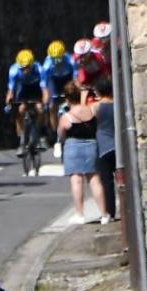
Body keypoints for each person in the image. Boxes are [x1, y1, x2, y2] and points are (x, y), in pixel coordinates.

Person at [58, 81, 109, 225]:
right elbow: (97, 125)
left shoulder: (66, 117)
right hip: (91, 145)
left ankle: (80, 214)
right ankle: (104, 214)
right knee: (95, 180)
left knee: (76, 180)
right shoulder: (91, 111)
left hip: (73, 147)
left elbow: (61, 134)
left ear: (67, 98)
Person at [6, 49, 49, 156]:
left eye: (27, 67)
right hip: (23, 89)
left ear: (32, 64)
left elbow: (44, 89)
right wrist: (9, 102)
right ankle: (21, 142)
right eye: (22, 68)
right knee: (20, 110)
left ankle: (41, 134)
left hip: (36, 88)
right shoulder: (14, 70)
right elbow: (11, 90)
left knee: (39, 108)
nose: (25, 70)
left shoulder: (39, 69)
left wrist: (44, 102)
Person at [41, 40, 76, 157]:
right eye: (54, 59)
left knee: (72, 100)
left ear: (63, 55)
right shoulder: (46, 65)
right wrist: (46, 96)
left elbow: (75, 78)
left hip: (67, 79)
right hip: (54, 81)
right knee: (51, 105)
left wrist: (73, 93)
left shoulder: (70, 60)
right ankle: (55, 130)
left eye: (58, 59)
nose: (56, 61)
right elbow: (44, 84)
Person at [92, 77, 117, 220]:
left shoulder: (96, 107)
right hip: (118, 147)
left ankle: (110, 212)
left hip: (102, 147)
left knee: (106, 182)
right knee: (123, 181)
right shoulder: (118, 105)